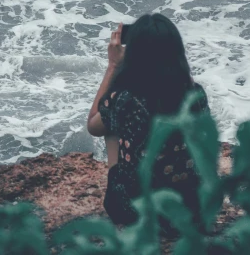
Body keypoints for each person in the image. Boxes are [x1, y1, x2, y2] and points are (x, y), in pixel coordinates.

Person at [87, 13, 209, 227]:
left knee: (109, 123)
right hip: (192, 211)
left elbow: (92, 125)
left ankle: (120, 189)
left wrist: (113, 66)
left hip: (138, 215)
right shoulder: (194, 94)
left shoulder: (125, 100)